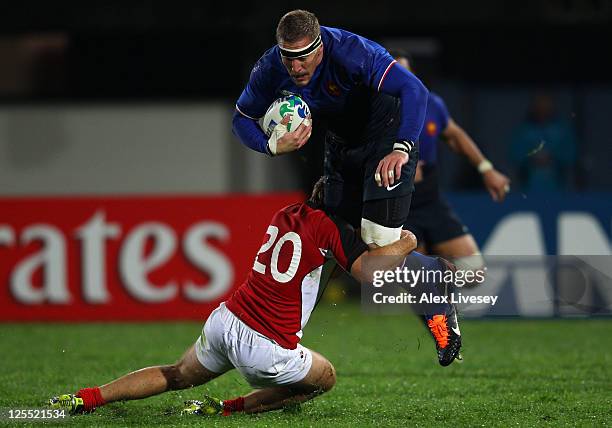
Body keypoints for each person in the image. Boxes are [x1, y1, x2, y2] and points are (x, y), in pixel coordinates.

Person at [48, 178, 462, 417]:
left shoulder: (286, 212)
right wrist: (405, 242)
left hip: (226, 320)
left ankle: (88, 397)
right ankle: (228, 409)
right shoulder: (329, 230)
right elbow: (371, 272)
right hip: (265, 348)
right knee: (324, 379)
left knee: (176, 375)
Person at [232, 10, 429, 250]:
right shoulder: (270, 68)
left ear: (320, 47)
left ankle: (433, 274)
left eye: (303, 56)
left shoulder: (353, 53)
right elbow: (240, 120)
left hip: (385, 140)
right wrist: (269, 146)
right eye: (288, 57)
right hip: (340, 144)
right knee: (328, 240)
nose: (295, 67)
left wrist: (402, 148)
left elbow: (414, 89)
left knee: (378, 242)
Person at [390, 50, 510, 270]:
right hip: (397, 205)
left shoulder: (431, 104)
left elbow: (454, 135)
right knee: (417, 279)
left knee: (474, 272)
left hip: (430, 199)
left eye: (406, 74)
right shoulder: (374, 113)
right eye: (395, 75)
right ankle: (436, 296)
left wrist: (486, 169)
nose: (402, 81)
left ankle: (438, 285)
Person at [510, 92, 577, 191]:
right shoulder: (523, 130)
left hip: (558, 188)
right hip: (528, 188)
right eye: (539, 103)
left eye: (546, 103)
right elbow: (513, 155)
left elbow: (572, 155)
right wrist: (532, 157)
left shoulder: (562, 130)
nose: (543, 107)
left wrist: (552, 156)